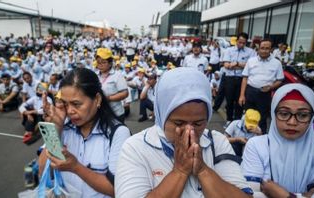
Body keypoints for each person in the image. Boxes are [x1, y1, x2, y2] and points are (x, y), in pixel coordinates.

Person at [115, 67, 252, 197]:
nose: (189, 131)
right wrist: (179, 171)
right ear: (162, 115)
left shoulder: (217, 142)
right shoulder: (135, 148)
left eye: (198, 123)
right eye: (179, 123)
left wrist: (203, 170)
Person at [39, 68, 131, 197]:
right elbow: (43, 169)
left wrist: (76, 167)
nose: (70, 111)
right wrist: (56, 128)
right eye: (65, 104)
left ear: (97, 99)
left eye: (76, 104)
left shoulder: (118, 133)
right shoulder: (64, 128)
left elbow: (117, 189)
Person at [241, 83, 314, 197]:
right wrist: (307, 195)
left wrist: (281, 195)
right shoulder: (257, 146)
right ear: (273, 113)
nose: (292, 122)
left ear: (312, 118)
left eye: (302, 115)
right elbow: (248, 194)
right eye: (284, 113)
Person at [239, 39, 284, 133]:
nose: (264, 50)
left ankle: (261, 138)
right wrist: (242, 95)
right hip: (250, 92)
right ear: (258, 49)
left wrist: (271, 87)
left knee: (262, 118)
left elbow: (280, 80)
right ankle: (246, 137)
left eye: (267, 48)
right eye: (262, 48)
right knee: (248, 115)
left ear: (271, 50)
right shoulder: (251, 61)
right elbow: (245, 78)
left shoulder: (276, 63)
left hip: (264, 94)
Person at [222, 32, 255, 128]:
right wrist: (242, 65)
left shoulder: (250, 52)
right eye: (240, 42)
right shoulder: (229, 50)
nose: (241, 44)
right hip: (230, 79)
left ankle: (236, 121)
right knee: (229, 100)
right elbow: (226, 65)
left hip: (242, 79)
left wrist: (236, 63)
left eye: (243, 43)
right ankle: (229, 120)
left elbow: (250, 66)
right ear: (236, 41)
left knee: (240, 101)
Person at [96, 48, 129, 123]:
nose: (100, 65)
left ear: (110, 63)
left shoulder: (117, 75)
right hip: (101, 114)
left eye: (103, 62)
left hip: (116, 113)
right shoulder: (95, 75)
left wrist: (108, 98)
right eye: (98, 62)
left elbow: (125, 93)